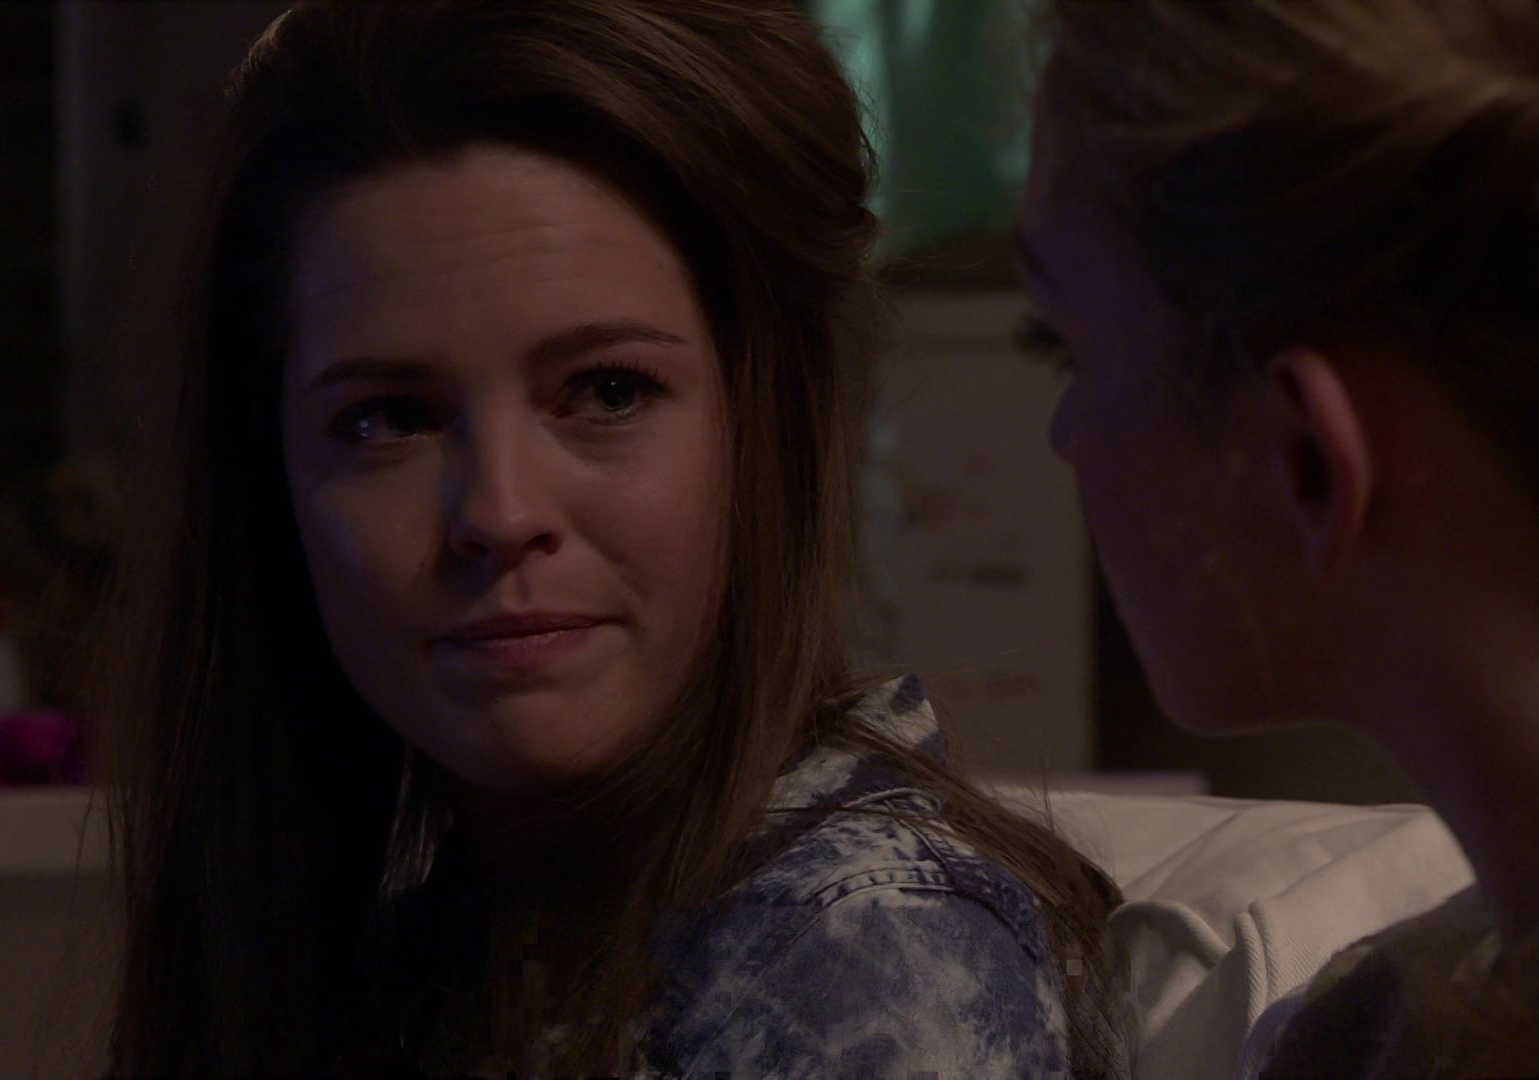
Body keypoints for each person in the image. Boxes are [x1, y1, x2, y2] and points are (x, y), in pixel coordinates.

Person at [89, 1, 1128, 1076]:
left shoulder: (857, 954)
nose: (499, 514)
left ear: (766, 422)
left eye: (608, 391)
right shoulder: (421, 951)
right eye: (389, 419)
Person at [1015, 0, 1539, 1076]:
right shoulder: (1411, 1007)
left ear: (1306, 457)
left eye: (1063, 348)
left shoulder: (1381, 1037)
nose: (1062, 437)